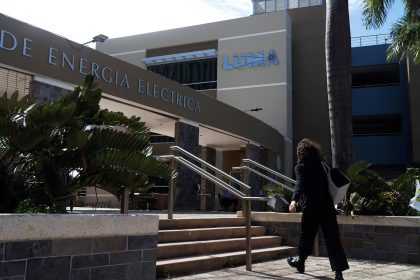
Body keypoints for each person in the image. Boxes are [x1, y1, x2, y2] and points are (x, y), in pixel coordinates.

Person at [287, 138, 349, 280]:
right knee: (333, 239)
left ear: (300, 153)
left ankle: (301, 263)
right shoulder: (323, 165)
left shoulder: (301, 167)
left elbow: (300, 185)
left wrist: (293, 200)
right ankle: (338, 273)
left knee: (306, 236)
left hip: (311, 207)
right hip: (327, 207)